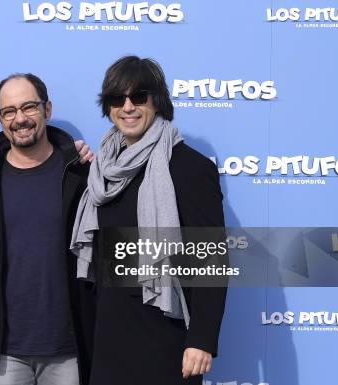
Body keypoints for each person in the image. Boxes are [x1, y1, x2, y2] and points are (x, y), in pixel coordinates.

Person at [70, 56, 228, 385]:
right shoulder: (102, 170)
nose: (127, 107)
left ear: (157, 101)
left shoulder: (188, 167)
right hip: (109, 336)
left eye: (138, 97)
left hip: (164, 334)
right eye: (117, 98)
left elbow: (211, 258)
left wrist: (201, 340)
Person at [0, 73, 95, 385]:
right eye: (9, 111)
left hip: (69, 349)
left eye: (29, 107)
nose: (20, 119)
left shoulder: (81, 173)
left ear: (47, 109)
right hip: (5, 350)